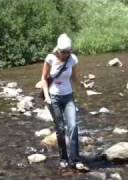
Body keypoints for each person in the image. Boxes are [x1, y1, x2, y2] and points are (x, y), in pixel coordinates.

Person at [40, 33, 89, 172]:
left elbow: (74, 77)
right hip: (53, 98)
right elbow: (44, 78)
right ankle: (63, 158)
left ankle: (75, 160)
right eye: (63, 52)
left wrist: (81, 84)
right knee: (60, 129)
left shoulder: (72, 59)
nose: (65, 55)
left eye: (68, 52)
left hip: (68, 97)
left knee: (73, 126)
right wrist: (46, 96)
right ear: (58, 50)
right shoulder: (50, 58)